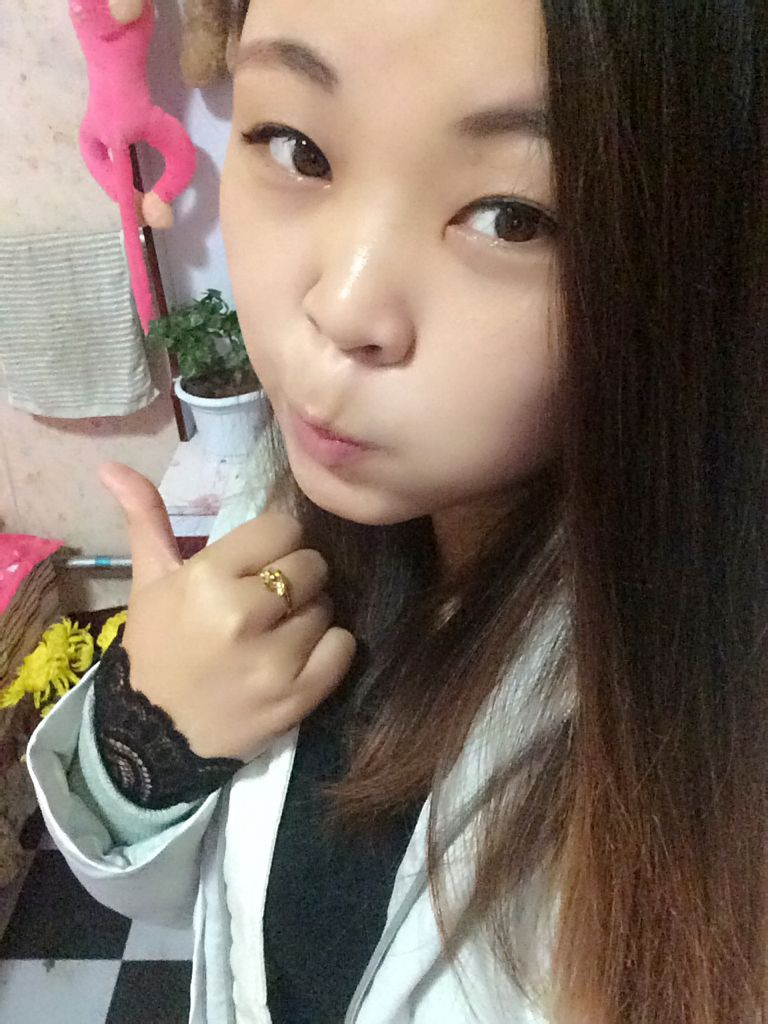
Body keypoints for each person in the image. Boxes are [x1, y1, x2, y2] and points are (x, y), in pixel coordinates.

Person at [25, 0, 766, 1022]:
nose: (342, 306)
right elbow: (206, 913)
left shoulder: (706, 744)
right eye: (297, 147)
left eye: (512, 216)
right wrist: (148, 745)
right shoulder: (290, 498)